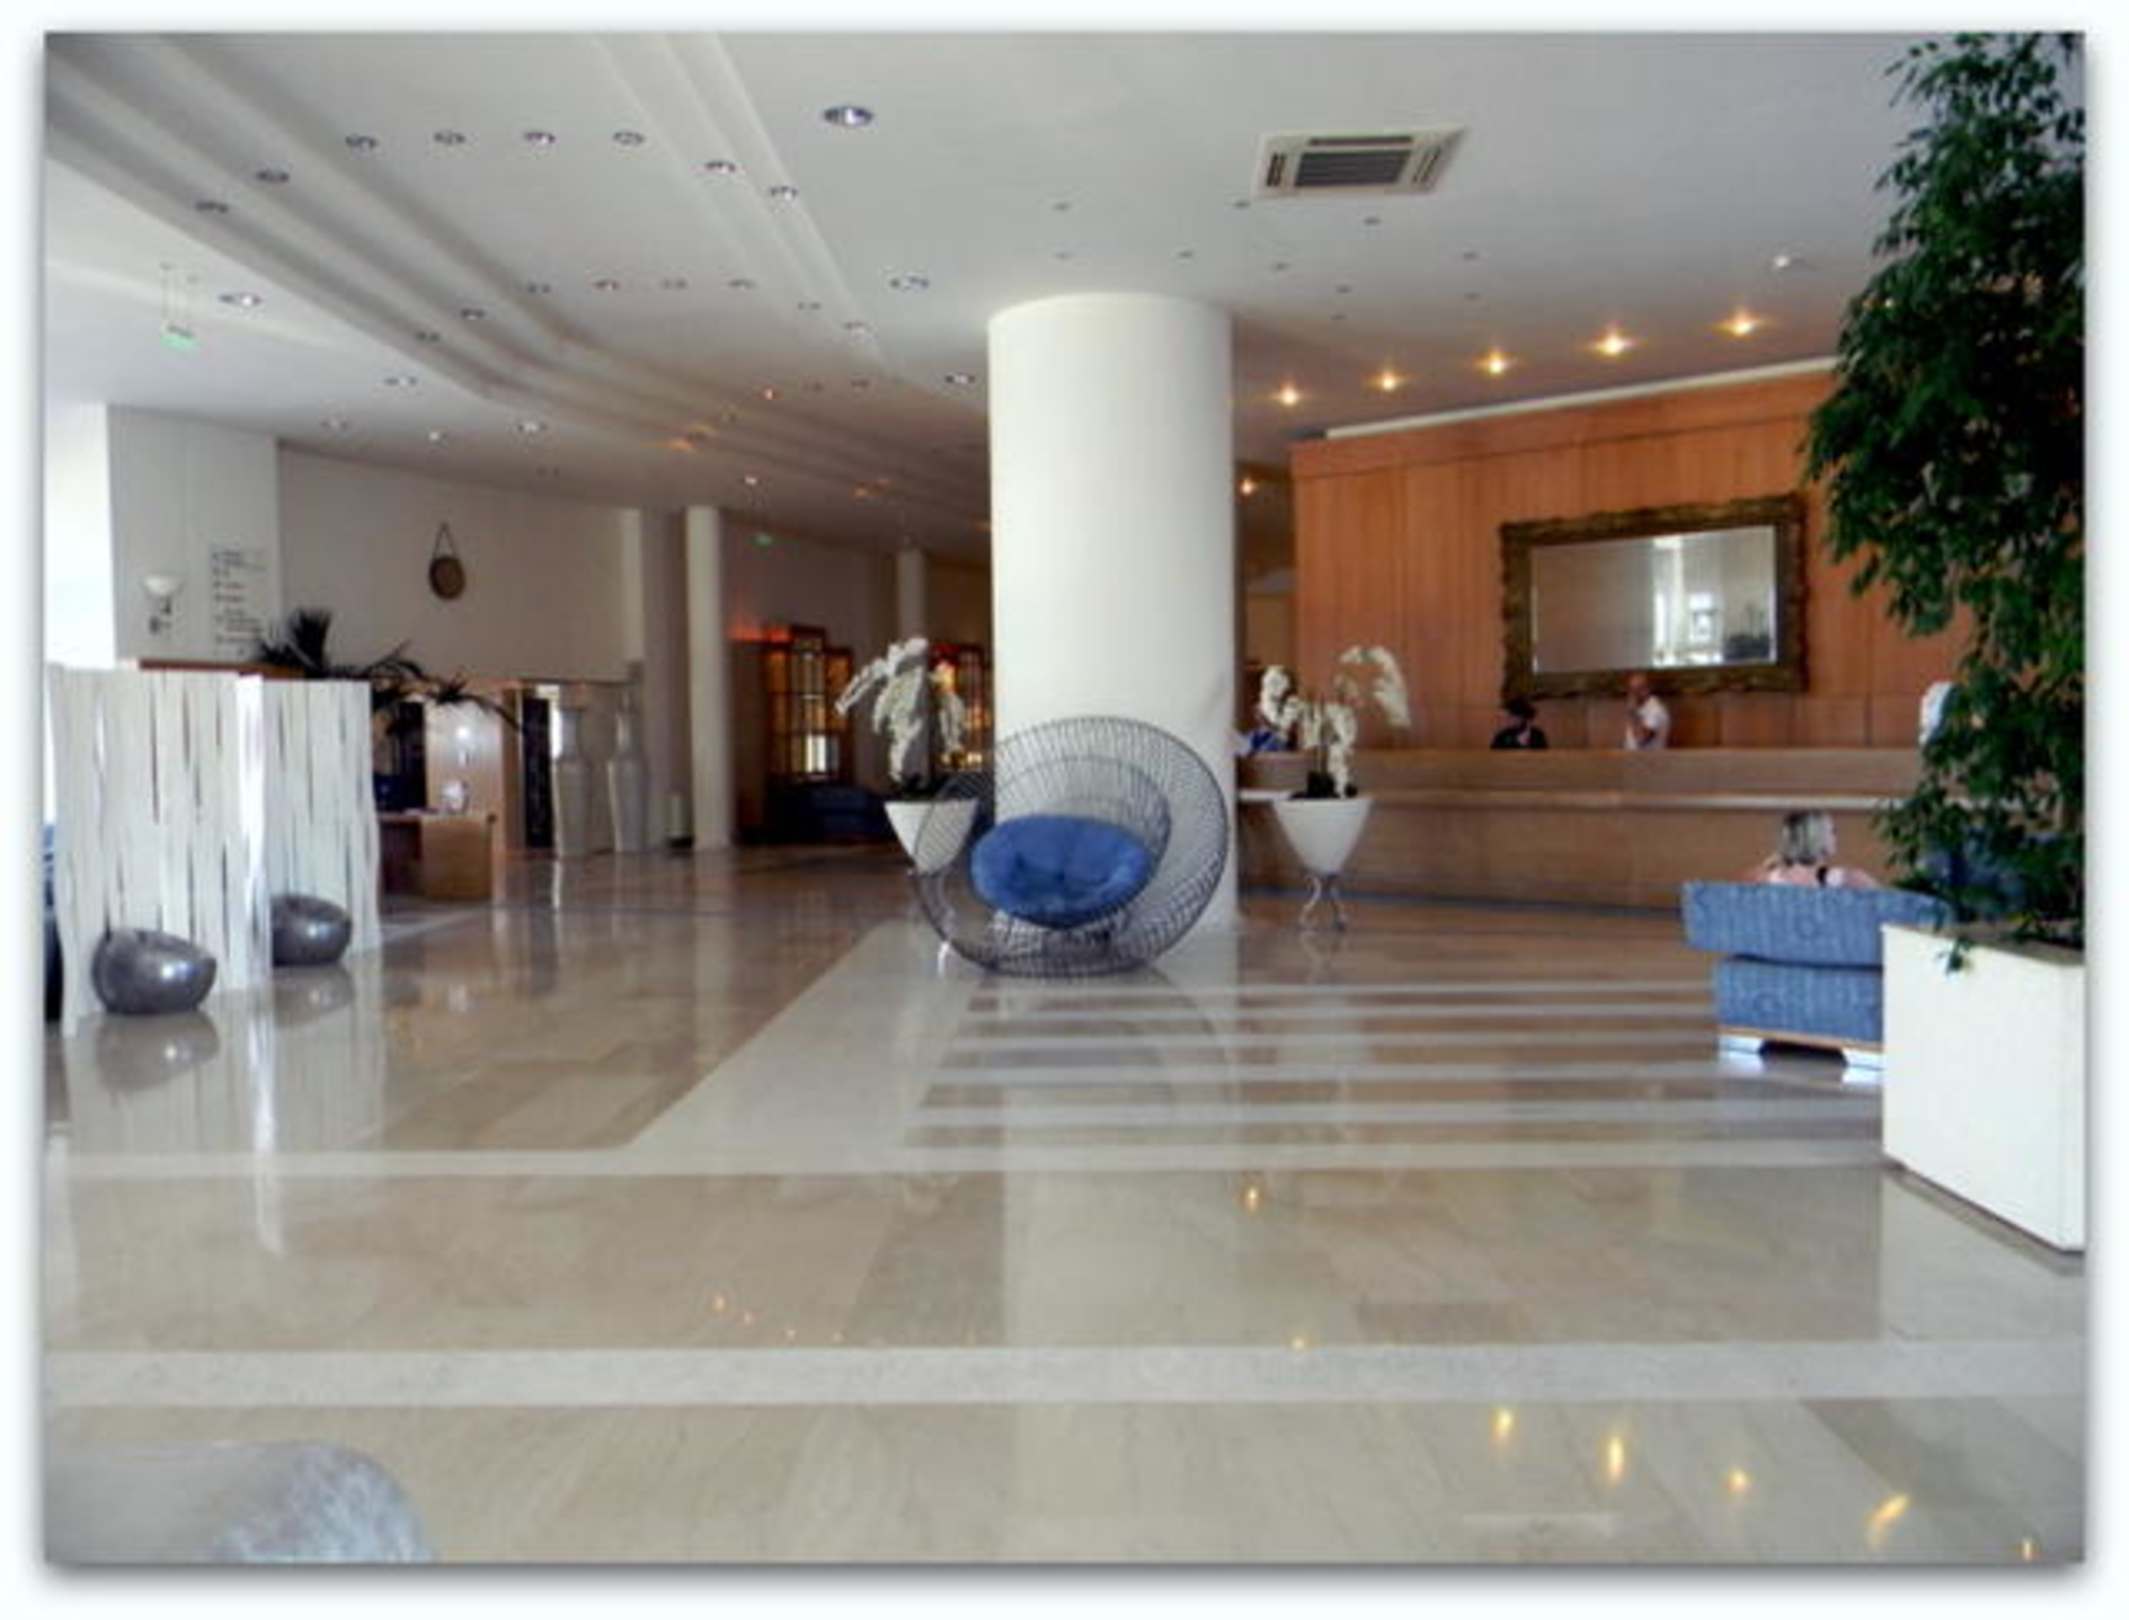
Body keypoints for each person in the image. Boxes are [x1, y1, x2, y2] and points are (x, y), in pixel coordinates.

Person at [1744, 810, 1879, 889]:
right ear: (1818, 837)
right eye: (1832, 831)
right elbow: (1885, 906)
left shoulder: (1761, 879)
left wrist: (1770, 863)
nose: (1835, 837)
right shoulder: (1850, 879)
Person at [1623, 673, 1670, 750]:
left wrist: (1632, 712)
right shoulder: (1640, 707)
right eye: (1631, 690)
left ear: (1648, 689)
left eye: (1638, 689)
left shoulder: (1655, 709)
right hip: (1632, 755)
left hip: (1648, 757)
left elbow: (1641, 738)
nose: (1633, 694)